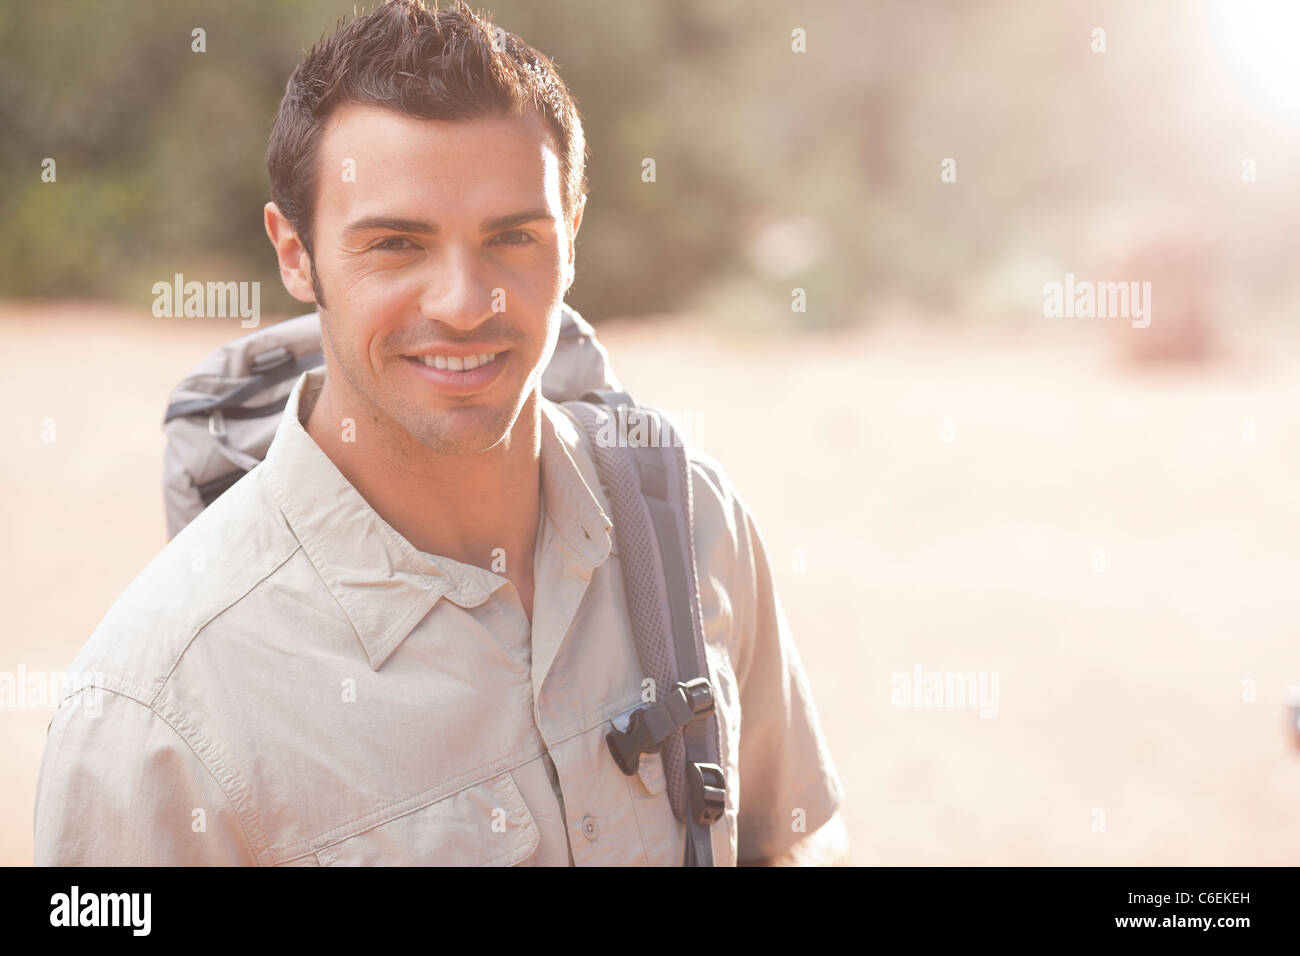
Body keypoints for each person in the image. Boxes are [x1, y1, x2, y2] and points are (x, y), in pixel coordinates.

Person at [33, 0, 846, 866]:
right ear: (295, 252)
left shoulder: (689, 520)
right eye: (395, 244)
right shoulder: (152, 717)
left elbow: (788, 843)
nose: (465, 302)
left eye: (513, 237)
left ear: (570, 237)